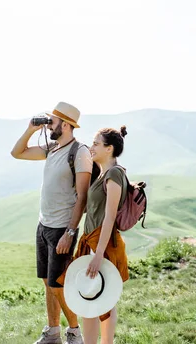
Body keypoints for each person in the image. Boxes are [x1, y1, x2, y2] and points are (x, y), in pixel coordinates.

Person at [10, 102, 91, 344]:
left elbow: (83, 197)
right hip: (44, 224)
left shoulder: (80, 152)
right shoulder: (52, 147)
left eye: (52, 121)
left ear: (66, 125)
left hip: (61, 228)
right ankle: (53, 332)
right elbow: (17, 153)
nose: (49, 125)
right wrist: (30, 129)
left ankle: (75, 332)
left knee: (58, 284)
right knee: (47, 282)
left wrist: (70, 231)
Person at [59, 125, 130, 344]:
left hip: (103, 243)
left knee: (105, 300)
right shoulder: (102, 175)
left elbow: (109, 217)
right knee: (89, 294)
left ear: (109, 149)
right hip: (91, 240)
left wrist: (99, 254)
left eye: (97, 144)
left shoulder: (115, 174)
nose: (92, 147)